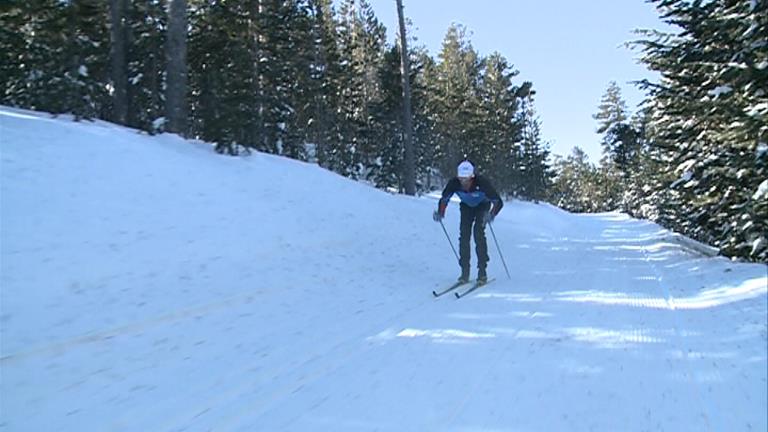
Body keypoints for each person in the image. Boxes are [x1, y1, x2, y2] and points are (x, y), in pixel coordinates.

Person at [433, 160, 503, 284]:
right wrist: (440, 213)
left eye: (467, 179)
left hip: (482, 206)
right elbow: (444, 199)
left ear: (472, 177)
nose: (464, 183)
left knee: (478, 234)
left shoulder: (482, 183)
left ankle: (482, 272)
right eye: (461, 179)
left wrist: (491, 215)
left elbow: (498, 201)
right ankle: (465, 272)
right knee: (464, 236)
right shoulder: (454, 183)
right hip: (466, 207)